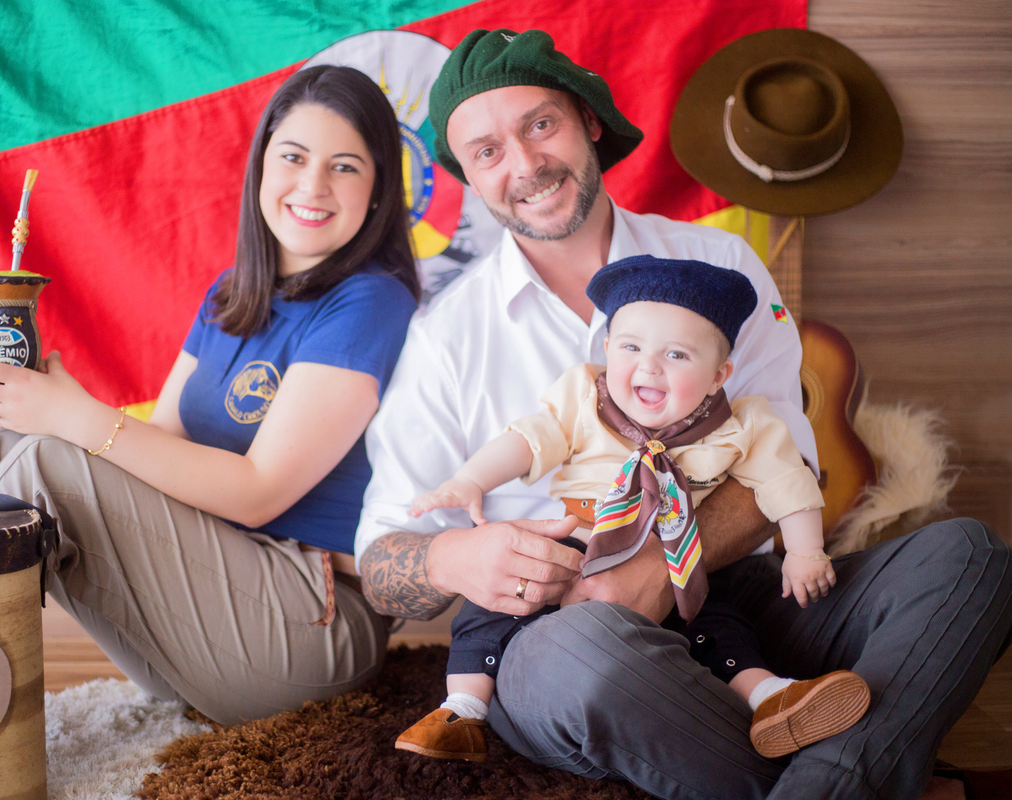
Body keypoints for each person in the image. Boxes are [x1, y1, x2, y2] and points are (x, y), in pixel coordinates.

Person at [356, 28, 1012, 800]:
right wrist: (450, 561)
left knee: (969, 558)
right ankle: (863, 777)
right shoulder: (445, 339)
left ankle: (827, 781)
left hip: (728, 596)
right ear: (466, 174)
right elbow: (378, 562)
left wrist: (656, 575)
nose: (527, 165)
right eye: (487, 151)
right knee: (589, 657)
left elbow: (788, 465)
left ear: (589, 122)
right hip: (559, 634)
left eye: (541, 125)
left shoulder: (720, 268)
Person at [0, 63, 421, 775]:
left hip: (310, 629)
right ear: (262, 166)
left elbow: (262, 490)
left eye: (344, 167)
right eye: (293, 156)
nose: (312, 185)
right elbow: (159, 447)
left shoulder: (370, 301)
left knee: (47, 458)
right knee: (18, 441)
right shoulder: (233, 294)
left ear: (377, 190)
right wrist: (44, 405)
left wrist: (77, 418)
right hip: (208, 633)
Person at [394, 256, 870, 763]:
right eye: (630, 347)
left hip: (676, 557)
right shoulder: (585, 398)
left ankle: (769, 697)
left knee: (718, 622)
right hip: (579, 538)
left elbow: (788, 482)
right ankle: (462, 709)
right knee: (500, 598)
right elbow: (530, 440)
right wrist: (469, 481)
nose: (648, 366)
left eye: (677, 355)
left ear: (718, 375)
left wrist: (805, 551)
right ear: (606, 350)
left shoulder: (745, 424)